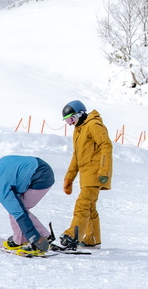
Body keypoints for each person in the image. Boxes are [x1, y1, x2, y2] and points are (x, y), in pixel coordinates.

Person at [54, 100, 112, 250]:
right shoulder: (78, 130)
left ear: (80, 114)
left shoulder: (93, 125)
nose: (70, 123)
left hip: (95, 174)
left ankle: (73, 236)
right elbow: (76, 156)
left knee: (82, 205)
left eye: (71, 119)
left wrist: (104, 171)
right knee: (90, 208)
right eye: (67, 121)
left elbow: (106, 146)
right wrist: (69, 177)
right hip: (85, 176)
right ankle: (92, 239)